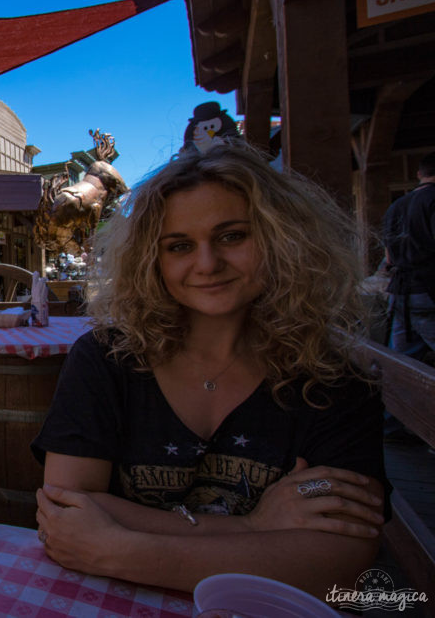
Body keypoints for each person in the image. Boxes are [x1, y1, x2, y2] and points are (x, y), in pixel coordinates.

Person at [32, 140, 389, 597]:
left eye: (232, 236)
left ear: (280, 238)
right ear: (151, 261)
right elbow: (66, 511)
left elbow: (343, 566)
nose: (207, 264)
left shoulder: (331, 378)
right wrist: (258, 529)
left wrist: (118, 548)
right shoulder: (106, 358)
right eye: (179, 246)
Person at [382, 152, 435, 363]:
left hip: (400, 294)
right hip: (429, 290)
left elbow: (389, 258)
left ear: (419, 174)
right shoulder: (433, 201)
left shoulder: (396, 206)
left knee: (403, 364)